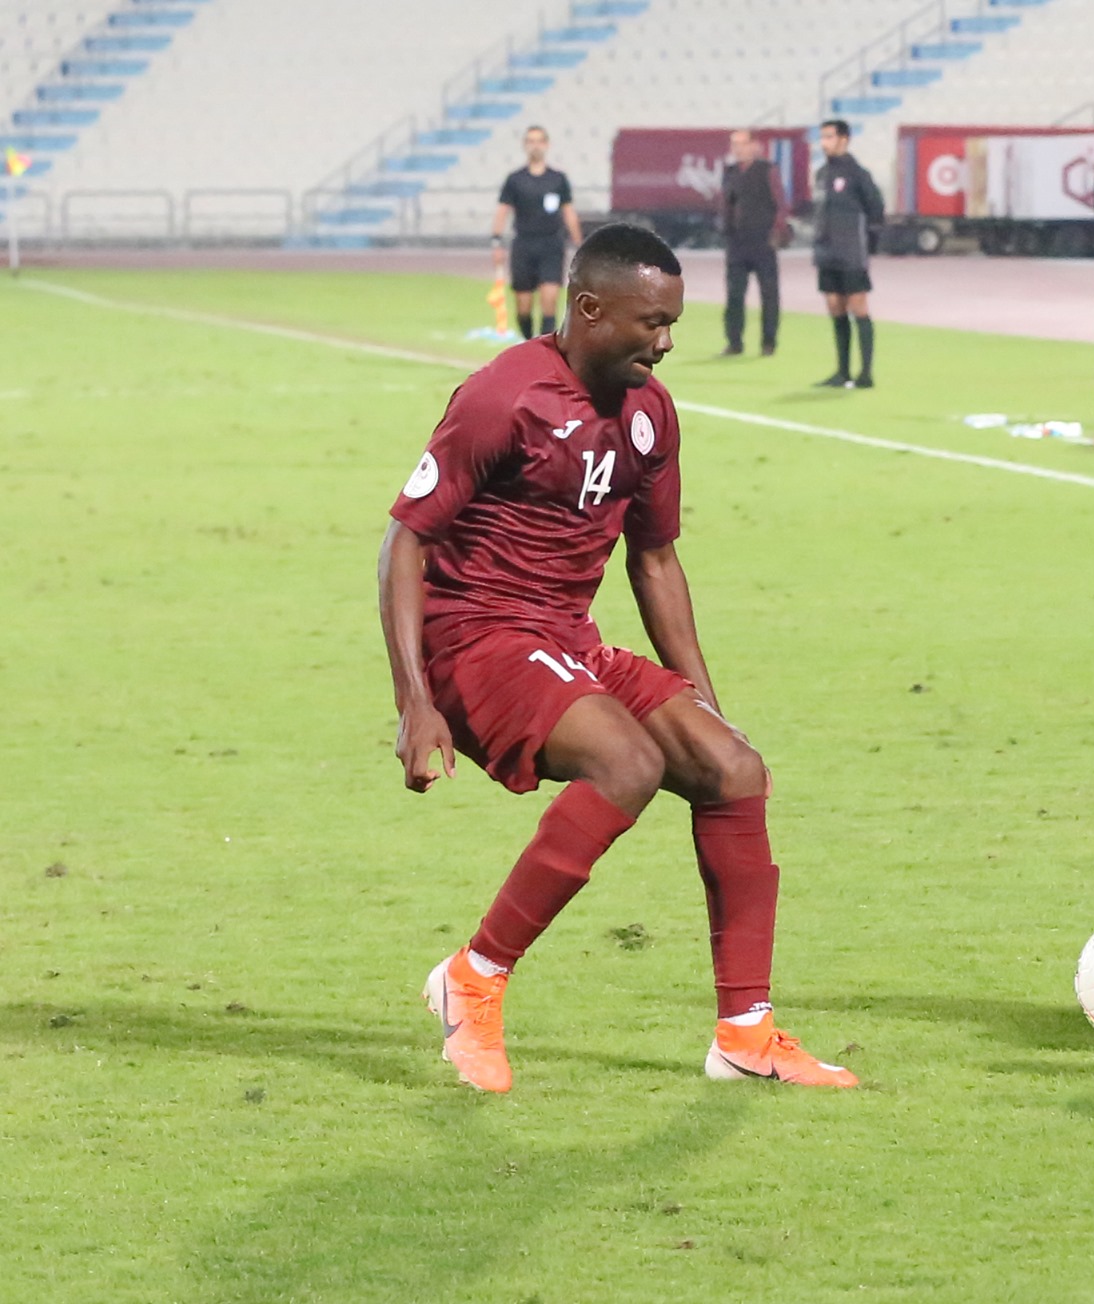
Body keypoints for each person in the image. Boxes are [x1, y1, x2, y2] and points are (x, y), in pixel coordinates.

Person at [380, 223, 857, 1093]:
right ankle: (473, 978)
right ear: (590, 308)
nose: (665, 343)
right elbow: (404, 542)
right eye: (651, 323)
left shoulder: (650, 412)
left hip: (567, 638)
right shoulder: (504, 396)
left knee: (734, 769)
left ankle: (745, 1035)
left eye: (672, 323)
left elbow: (656, 561)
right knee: (627, 763)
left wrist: (704, 701)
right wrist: (414, 701)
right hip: (475, 638)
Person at [812, 118, 886, 389]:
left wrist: (868, 241)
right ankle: (842, 372)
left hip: (851, 252)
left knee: (858, 306)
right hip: (826, 251)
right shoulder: (821, 174)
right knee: (834, 306)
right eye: (822, 137)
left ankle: (865, 373)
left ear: (844, 139)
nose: (824, 143)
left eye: (829, 137)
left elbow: (876, 208)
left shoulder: (857, 174)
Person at [492, 125, 583, 340]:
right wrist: (497, 242)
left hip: (551, 244)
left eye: (539, 141)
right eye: (531, 141)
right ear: (525, 145)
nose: (535, 146)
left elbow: (568, 212)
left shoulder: (558, 179)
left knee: (549, 300)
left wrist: (580, 245)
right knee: (523, 306)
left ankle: (543, 348)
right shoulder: (515, 179)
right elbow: (503, 211)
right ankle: (528, 341)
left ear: (547, 145)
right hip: (524, 245)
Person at [719, 129, 785, 357]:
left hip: (763, 241)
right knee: (734, 295)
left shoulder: (767, 170)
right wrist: (726, 230)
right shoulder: (730, 172)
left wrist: (777, 231)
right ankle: (734, 342)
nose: (737, 149)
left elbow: (780, 203)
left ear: (755, 146)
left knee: (769, 294)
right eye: (734, 144)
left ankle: (768, 342)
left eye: (742, 144)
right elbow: (726, 205)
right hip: (737, 242)